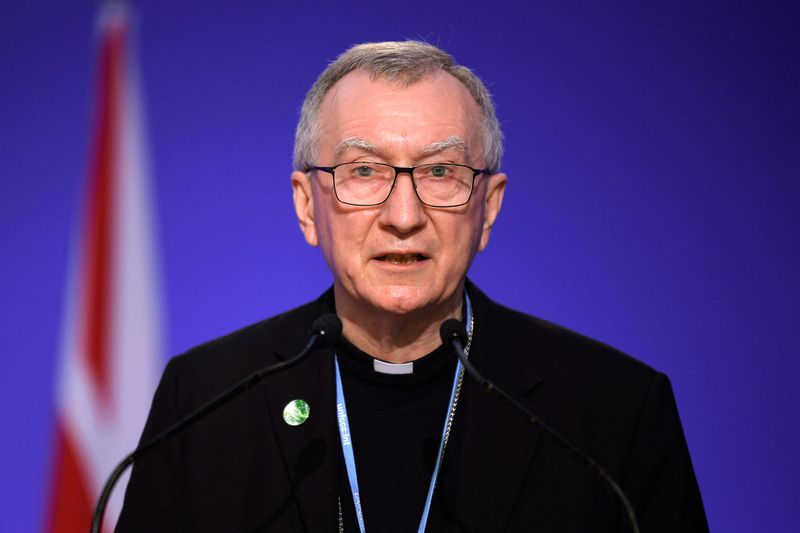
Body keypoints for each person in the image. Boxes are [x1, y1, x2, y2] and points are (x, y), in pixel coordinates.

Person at [118, 41, 707, 532]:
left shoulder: (612, 414)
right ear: (306, 206)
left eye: (441, 172)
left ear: (489, 206)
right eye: (365, 171)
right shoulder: (203, 405)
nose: (404, 215)